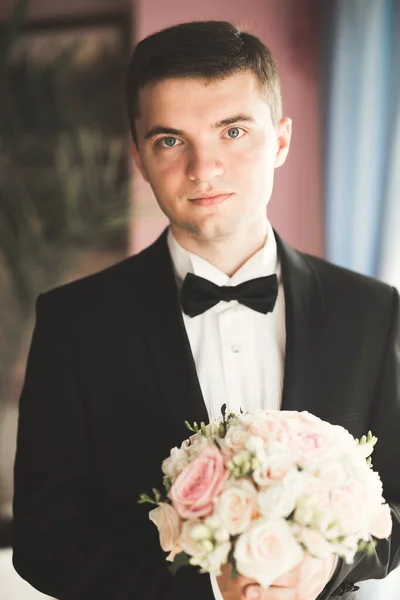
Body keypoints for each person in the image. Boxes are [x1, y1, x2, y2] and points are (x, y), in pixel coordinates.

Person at [12, 20, 400, 600]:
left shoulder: (371, 310)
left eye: (233, 131)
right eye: (171, 140)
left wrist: (331, 566)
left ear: (282, 140)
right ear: (139, 157)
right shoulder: (73, 323)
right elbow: (44, 539)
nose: (203, 168)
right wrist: (209, 589)